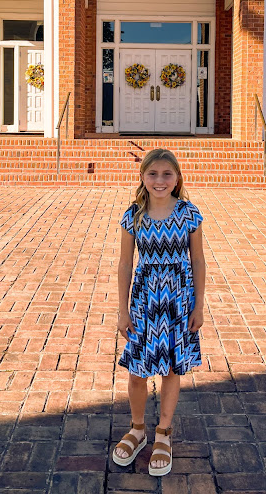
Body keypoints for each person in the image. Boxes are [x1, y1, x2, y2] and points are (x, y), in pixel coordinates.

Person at [112, 148, 206, 477]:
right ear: (142, 177)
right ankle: (137, 429)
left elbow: (198, 261)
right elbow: (125, 264)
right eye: (153, 174)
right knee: (137, 370)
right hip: (144, 302)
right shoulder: (134, 215)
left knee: (171, 368)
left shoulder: (188, 213)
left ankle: (164, 432)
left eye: (167, 174)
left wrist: (198, 305)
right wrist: (122, 310)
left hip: (179, 302)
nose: (160, 180)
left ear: (177, 178)